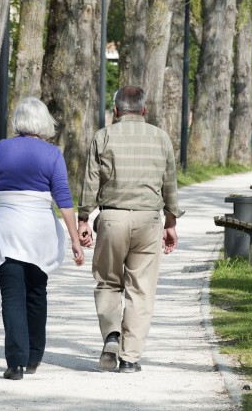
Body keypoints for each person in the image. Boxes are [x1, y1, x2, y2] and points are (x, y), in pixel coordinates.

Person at [0, 97, 85, 381]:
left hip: (7, 226)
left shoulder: (2, 148)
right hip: (39, 229)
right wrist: (74, 239)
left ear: (18, 122)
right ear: (44, 123)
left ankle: (15, 363)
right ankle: (34, 356)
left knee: (12, 296)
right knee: (37, 293)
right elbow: (63, 198)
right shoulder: (52, 154)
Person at [77, 85, 183, 373]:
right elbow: (170, 184)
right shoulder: (161, 138)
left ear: (116, 110)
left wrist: (84, 218)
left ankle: (112, 334)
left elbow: (90, 183)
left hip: (112, 219)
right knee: (141, 289)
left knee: (108, 282)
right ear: (144, 109)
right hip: (149, 221)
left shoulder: (103, 136)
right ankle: (130, 358)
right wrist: (170, 223)